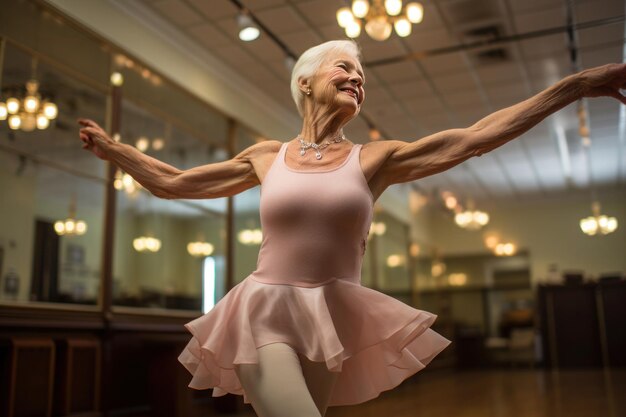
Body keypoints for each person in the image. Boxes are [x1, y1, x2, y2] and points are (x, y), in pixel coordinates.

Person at [78, 40, 626, 417]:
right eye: (344, 68)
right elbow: (175, 183)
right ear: (306, 82)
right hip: (266, 309)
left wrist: (574, 86)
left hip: (331, 317)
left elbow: (476, 135)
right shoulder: (267, 156)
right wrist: (116, 150)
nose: (356, 79)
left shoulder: (374, 159)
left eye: (361, 76)